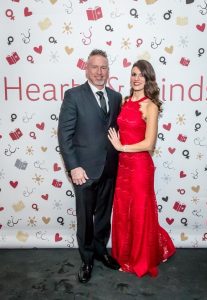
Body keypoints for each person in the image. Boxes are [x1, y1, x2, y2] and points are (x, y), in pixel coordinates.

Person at [58, 49, 122, 283]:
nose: (99, 72)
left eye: (103, 67)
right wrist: (73, 166)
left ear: (108, 70)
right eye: (94, 67)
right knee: (85, 218)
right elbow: (64, 135)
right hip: (83, 171)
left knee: (104, 215)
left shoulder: (116, 97)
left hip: (109, 168)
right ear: (86, 69)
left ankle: (100, 251)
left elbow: (117, 132)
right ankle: (86, 260)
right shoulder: (74, 95)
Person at [108, 59, 176, 278]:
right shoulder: (125, 101)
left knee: (139, 212)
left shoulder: (150, 105)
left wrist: (122, 146)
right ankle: (124, 256)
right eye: (133, 74)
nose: (136, 78)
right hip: (123, 167)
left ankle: (139, 260)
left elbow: (149, 144)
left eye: (141, 75)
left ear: (148, 79)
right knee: (122, 212)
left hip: (139, 167)